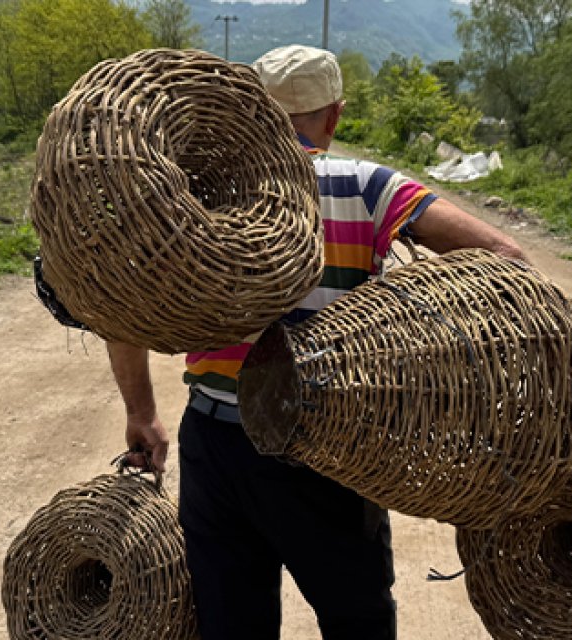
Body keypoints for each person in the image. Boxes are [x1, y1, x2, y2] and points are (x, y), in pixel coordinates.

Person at [106, 45, 526, 640]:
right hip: (333, 452)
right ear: (334, 116)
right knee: (357, 621)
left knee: (231, 626)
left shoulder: (197, 198)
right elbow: (505, 258)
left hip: (217, 448)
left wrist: (142, 413)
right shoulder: (370, 187)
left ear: (249, 111)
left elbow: (122, 302)